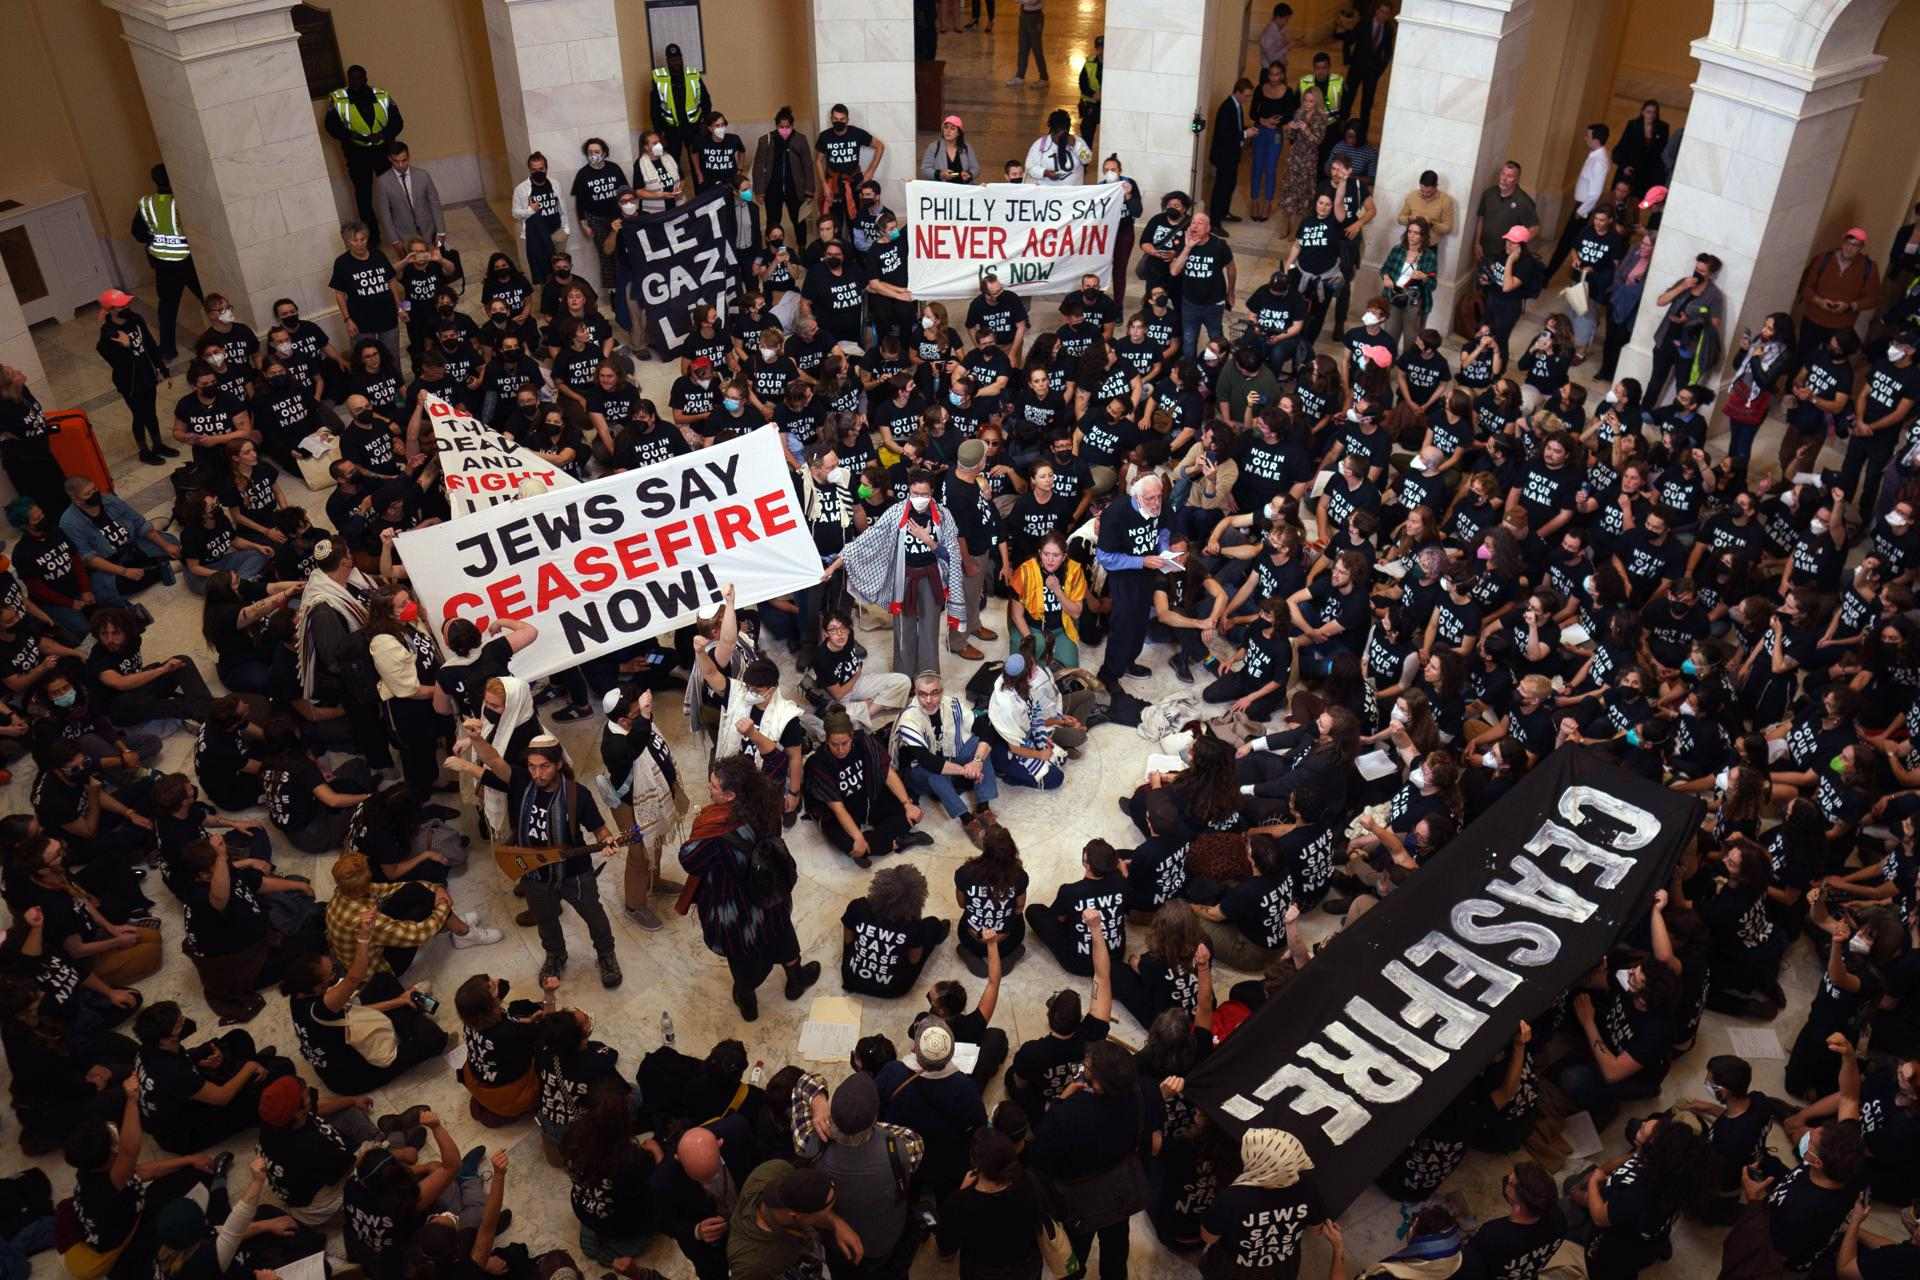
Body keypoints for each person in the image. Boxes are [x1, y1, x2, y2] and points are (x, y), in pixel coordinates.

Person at [455, 732, 624, 988]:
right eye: (532, 767)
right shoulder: (521, 782)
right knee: (545, 918)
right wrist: (477, 740)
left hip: (574, 872)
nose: (537, 774)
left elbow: (599, 829)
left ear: (558, 764)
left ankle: (606, 955)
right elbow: (494, 760)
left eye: (544, 767)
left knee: (593, 914)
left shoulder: (578, 795)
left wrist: (608, 840)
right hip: (534, 872)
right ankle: (555, 955)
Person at [680, 754, 823, 1021]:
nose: (709, 788)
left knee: (742, 956)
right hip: (770, 891)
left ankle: (747, 1001)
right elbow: (779, 759)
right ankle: (795, 981)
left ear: (731, 795)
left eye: (713, 786)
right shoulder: (767, 801)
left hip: (735, 905)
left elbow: (689, 860)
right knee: (783, 935)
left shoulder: (715, 831)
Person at [830, 467, 974, 675]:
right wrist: (835, 565)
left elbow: (950, 555)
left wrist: (928, 541)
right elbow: (867, 540)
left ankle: (928, 677)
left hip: (931, 577)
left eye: (924, 494)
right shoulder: (897, 512)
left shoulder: (943, 516)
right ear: (908, 491)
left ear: (932, 492)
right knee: (903, 630)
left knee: (929, 629)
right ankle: (903, 677)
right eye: (915, 494)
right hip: (903, 577)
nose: (919, 498)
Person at [1097, 472, 1172, 697]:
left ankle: (1128, 661)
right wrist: (1141, 561)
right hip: (1124, 575)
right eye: (1150, 498)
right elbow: (1105, 557)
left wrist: (1165, 552)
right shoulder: (1116, 513)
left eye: (1159, 496)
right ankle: (1109, 674)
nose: (1156, 502)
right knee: (1123, 625)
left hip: (1148, 572)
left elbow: (1164, 531)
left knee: (1140, 622)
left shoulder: (1161, 506)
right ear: (1136, 496)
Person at [130, 165, 203, 360]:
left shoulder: (147, 203)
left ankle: (167, 349)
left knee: (167, 307)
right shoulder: (181, 202)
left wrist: (156, 239)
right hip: (189, 262)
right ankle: (223, 335)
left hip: (163, 264)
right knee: (208, 299)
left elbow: (138, 233)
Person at [95, 288, 174, 463]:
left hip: (146, 374)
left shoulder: (136, 319)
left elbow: (150, 345)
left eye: (126, 303)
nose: (126, 306)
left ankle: (158, 444)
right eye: (121, 305)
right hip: (129, 382)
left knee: (151, 412)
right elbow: (117, 362)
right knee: (139, 415)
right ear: (111, 309)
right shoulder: (108, 334)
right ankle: (144, 451)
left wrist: (162, 369)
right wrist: (125, 346)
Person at [324, 65, 404, 235]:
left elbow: (397, 121)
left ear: (365, 78)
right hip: (356, 154)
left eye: (359, 78)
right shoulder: (338, 99)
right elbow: (331, 126)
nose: (355, 81)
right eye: (351, 78)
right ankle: (373, 235)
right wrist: (353, 137)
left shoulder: (382, 95)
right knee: (363, 196)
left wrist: (383, 135)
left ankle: (401, 226)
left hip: (383, 151)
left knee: (392, 189)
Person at [1460, 1161, 1565, 1279]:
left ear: (1518, 1205)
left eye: (1510, 1183)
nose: (1507, 1179)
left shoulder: (1493, 1234)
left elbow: (1471, 1268)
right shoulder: (1559, 1217)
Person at [1800, 228, 1883, 360]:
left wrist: (1851, 306)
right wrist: (1819, 301)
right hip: (1813, 320)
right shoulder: (1823, 259)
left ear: (1861, 247)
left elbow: (1874, 299)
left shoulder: (1869, 268)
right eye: (1848, 243)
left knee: (1829, 362)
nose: (1850, 248)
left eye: (1855, 245)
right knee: (1802, 356)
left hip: (1841, 327)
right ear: (1842, 242)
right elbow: (1805, 287)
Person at [1546, 124, 1615, 279]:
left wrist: (1580, 211)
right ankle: (1549, 272)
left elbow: (1595, 193)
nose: (1585, 138)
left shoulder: (1599, 161)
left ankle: (1548, 275)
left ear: (1596, 140)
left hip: (1583, 209)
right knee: (1566, 241)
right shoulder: (1595, 155)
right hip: (1581, 206)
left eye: (1588, 136)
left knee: (1568, 242)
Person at [329, 220, 404, 359]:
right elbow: (339, 294)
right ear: (347, 242)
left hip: (387, 315)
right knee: (364, 357)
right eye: (354, 240)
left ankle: (396, 380)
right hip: (361, 321)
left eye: (362, 239)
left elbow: (391, 281)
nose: (359, 244)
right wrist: (347, 320)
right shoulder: (342, 263)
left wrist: (399, 306)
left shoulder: (379, 255)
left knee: (391, 355)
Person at [373, 142, 445, 259]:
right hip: (404, 237)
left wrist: (441, 232)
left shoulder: (423, 175)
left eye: (404, 160)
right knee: (412, 269)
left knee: (436, 263)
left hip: (429, 231)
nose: (401, 165)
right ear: (390, 159)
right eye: (396, 161)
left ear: (409, 156)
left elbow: (435, 204)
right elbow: (384, 214)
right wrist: (394, 240)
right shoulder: (382, 182)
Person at [648, 43, 712, 175]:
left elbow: (706, 100)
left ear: (682, 59)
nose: (675, 62)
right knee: (672, 163)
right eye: (672, 60)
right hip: (671, 129)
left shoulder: (693, 74)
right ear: (667, 61)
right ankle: (676, 192)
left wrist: (705, 124)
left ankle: (700, 193)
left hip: (694, 127)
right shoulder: (659, 77)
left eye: (678, 59)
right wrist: (659, 133)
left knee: (698, 162)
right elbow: (654, 107)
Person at [814, 104, 883, 224]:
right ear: (831, 119)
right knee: (835, 222)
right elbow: (818, 161)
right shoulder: (825, 136)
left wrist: (870, 172)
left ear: (847, 120)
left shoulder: (856, 133)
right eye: (835, 119)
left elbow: (880, 146)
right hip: (833, 184)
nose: (838, 122)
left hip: (855, 182)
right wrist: (824, 184)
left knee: (856, 220)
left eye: (842, 119)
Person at [753, 108, 814, 243]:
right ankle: (773, 248)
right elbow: (758, 167)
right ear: (776, 126)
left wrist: (809, 190)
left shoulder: (800, 139)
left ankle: (802, 248)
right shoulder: (766, 140)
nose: (785, 129)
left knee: (798, 220)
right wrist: (759, 191)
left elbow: (808, 166)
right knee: (773, 221)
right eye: (781, 127)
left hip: (795, 188)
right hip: (773, 189)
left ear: (792, 126)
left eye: (788, 127)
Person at [510, 152, 571, 285]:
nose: (538, 172)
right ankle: (548, 300)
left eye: (541, 169)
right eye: (534, 170)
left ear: (546, 168)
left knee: (561, 269)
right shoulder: (521, 189)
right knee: (544, 272)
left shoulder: (554, 183)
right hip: (537, 237)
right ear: (530, 170)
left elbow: (562, 207)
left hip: (557, 233)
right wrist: (530, 210)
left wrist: (566, 229)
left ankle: (561, 297)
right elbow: (515, 213)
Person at [1472, 161, 1539, 270]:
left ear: (1517, 179)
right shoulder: (1489, 194)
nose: (1504, 179)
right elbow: (1481, 219)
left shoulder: (1524, 202)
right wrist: (1477, 243)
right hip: (1485, 249)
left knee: (1498, 285)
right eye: (1503, 174)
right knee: (1481, 280)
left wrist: (1516, 246)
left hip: (1505, 255)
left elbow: (1534, 228)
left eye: (1510, 176)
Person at [1209, 80, 1256, 225]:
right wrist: (1245, 134)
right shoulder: (1227, 107)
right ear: (1237, 92)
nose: (1248, 99)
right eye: (1246, 96)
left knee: (1230, 185)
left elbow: (1236, 127)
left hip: (1233, 155)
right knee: (1221, 188)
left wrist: (1246, 130)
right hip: (1224, 155)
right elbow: (1225, 134)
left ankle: (1224, 212)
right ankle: (1215, 222)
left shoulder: (1237, 106)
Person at [1347, 1, 1397, 131]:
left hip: (1372, 72)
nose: (1383, 15)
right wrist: (1348, 61)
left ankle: (1362, 132)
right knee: (1348, 98)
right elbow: (1349, 40)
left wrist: (1380, 70)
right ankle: (1342, 126)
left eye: (1386, 13)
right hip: (1356, 68)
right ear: (1376, 11)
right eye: (1381, 11)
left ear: (1389, 15)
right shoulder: (1364, 23)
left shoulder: (1388, 29)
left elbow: (1388, 52)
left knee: (1367, 104)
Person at [1611, 99, 1670, 197]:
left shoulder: (1663, 128)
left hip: (1647, 173)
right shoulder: (1633, 125)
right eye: (1648, 112)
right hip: (1630, 169)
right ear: (1642, 112)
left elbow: (1662, 152)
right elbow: (1622, 147)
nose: (1651, 115)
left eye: (1654, 112)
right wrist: (1624, 165)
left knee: (1637, 202)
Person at [1026, 109, 1092, 188]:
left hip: (1073, 193)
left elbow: (1087, 160)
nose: (1060, 137)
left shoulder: (1077, 141)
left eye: (1063, 133)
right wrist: (1045, 173)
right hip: (1048, 193)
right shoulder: (1040, 145)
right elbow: (1030, 167)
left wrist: (1076, 146)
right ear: (1052, 131)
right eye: (1057, 133)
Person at [1007, 0, 1049, 86]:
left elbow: (1033, 1)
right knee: (1022, 48)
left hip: (1035, 17)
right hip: (1024, 15)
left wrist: (1022, 1)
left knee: (1037, 49)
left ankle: (1044, 78)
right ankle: (1020, 76)